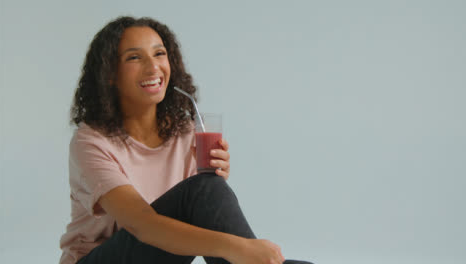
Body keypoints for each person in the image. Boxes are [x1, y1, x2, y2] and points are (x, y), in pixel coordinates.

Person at [59, 16, 312, 264]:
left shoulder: (186, 132)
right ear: (110, 74)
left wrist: (215, 185)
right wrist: (239, 248)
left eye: (159, 54)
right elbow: (142, 225)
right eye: (135, 57)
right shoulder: (92, 142)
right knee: (203, 190)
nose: (153, 66)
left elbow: (199, 210)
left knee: (208, 187)